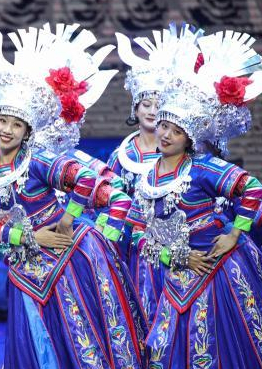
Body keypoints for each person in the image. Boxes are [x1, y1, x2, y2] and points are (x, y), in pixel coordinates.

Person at [0, 23, 152, 369]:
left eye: (16, 124)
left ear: (28, 128)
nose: (7, 130)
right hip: (25, 267)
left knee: (78, 342)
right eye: (2, 121)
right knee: (32, 347)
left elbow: (91, 182)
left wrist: (71, 221)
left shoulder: (40, 161)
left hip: (71, 261)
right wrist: (25, 234)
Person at [128, 29, 262, 369]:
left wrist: (234, 234)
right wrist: (170, 254)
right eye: (163, 126)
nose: (166, 134)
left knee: (220, 350)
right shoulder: (146, 173)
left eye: (176, 129)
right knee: (164, 348)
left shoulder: (204, 167)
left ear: (190, 137)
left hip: (219, 273)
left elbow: (254, 190)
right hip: (177, 270)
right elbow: (135, 226)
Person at [112, 25, 203, 326]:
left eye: (158, 105)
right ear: (135, 108)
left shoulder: (184, 155)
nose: (152, 111)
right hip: (132, 248)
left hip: (177, 248)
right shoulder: (121, 156)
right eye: (145, 104)